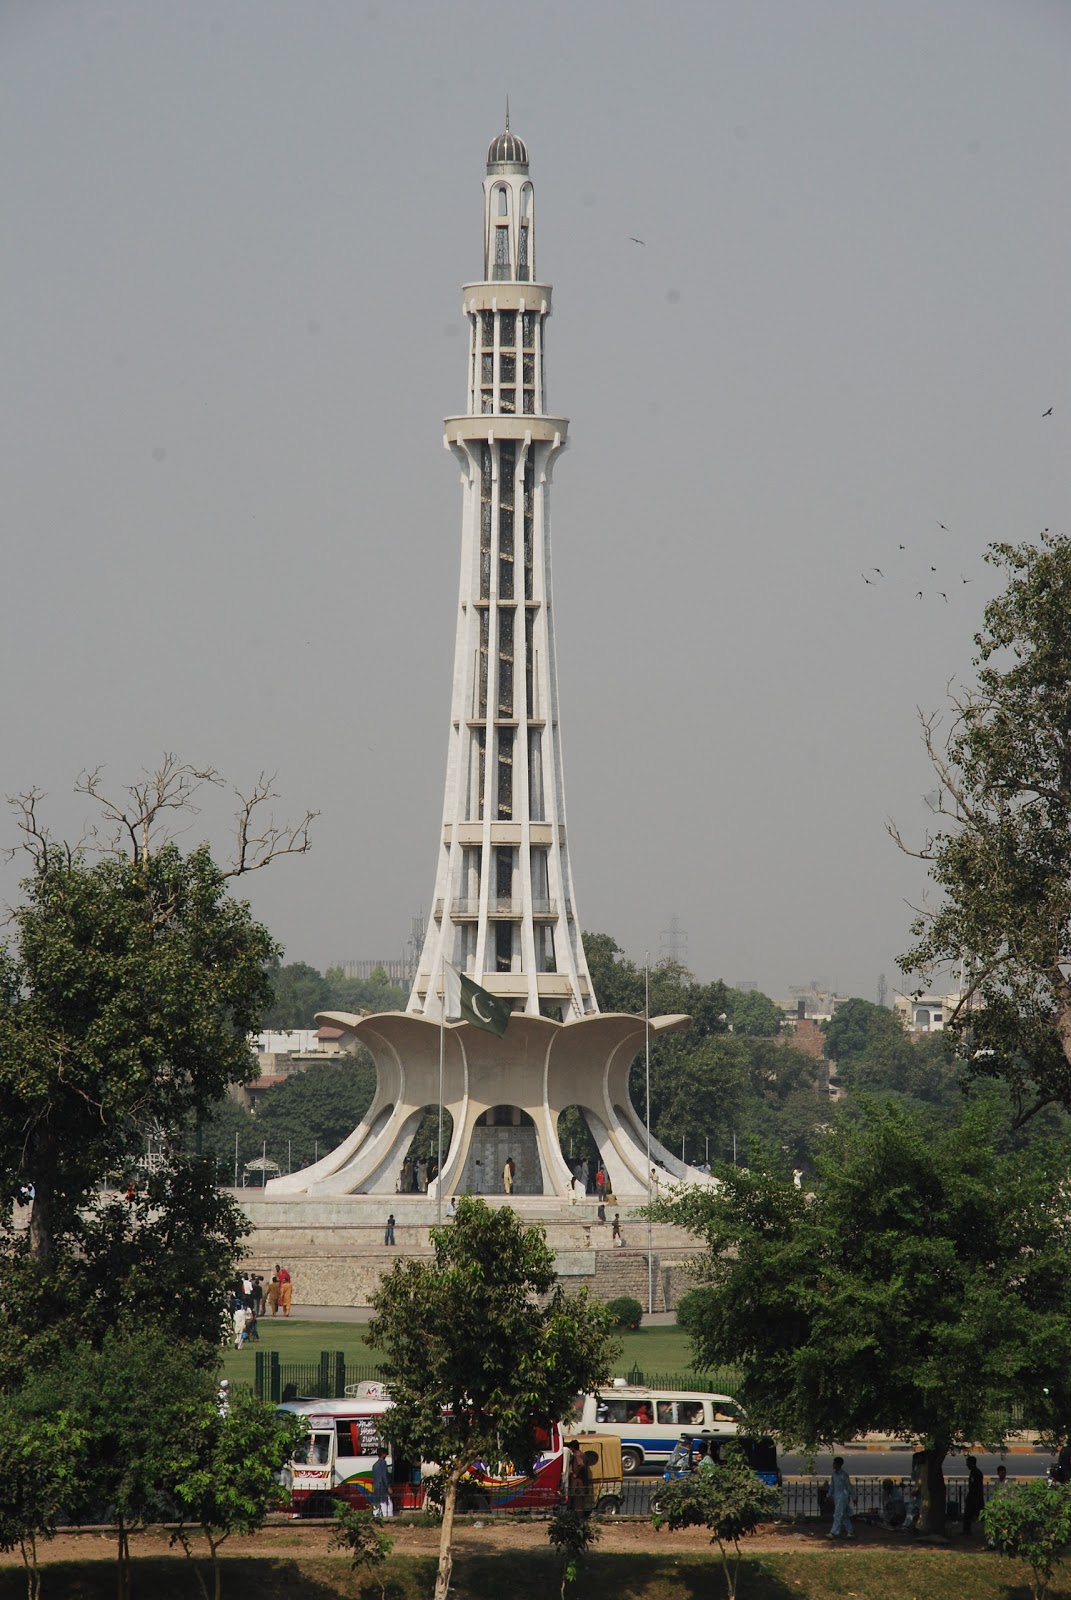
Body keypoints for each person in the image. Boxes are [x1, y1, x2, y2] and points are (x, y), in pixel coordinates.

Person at [828, 1457, 856, 1539]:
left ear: (838, 1464)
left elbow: (849, 1486)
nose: (833, 1465)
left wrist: (854, 1497)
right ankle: (850, 1531)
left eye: (834, 1463)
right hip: (836, 1497)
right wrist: (828, 1495)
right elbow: (832, 1486)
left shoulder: (844, 1475)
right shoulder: (834, 1475)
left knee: (837, 1514)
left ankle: (834, 1532)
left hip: (843, 1497)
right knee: (843, 1515)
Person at [962, 1454, 984, 1535]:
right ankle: (966, 1530)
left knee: (970, 1514)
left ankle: (967, 1530)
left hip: (975, 1497)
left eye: (968, 1463)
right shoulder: (974, 1472)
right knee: (968, 1515)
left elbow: (976, 1486)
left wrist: (975, 1497)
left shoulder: (976, 1473)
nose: (966, 1465)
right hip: (973, 1496)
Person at [372, 1445, 393, 1518]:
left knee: (376, 1503)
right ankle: (386, 1517)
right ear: (383, 1454)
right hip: (382, 1486)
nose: (386, 1455)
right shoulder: (383, 1463)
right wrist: (388, 1487)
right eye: (386, 1454)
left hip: (376, 1487)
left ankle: (375, 1516)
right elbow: (384, 1476)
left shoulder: (374, 1465)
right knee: (387, 1503)